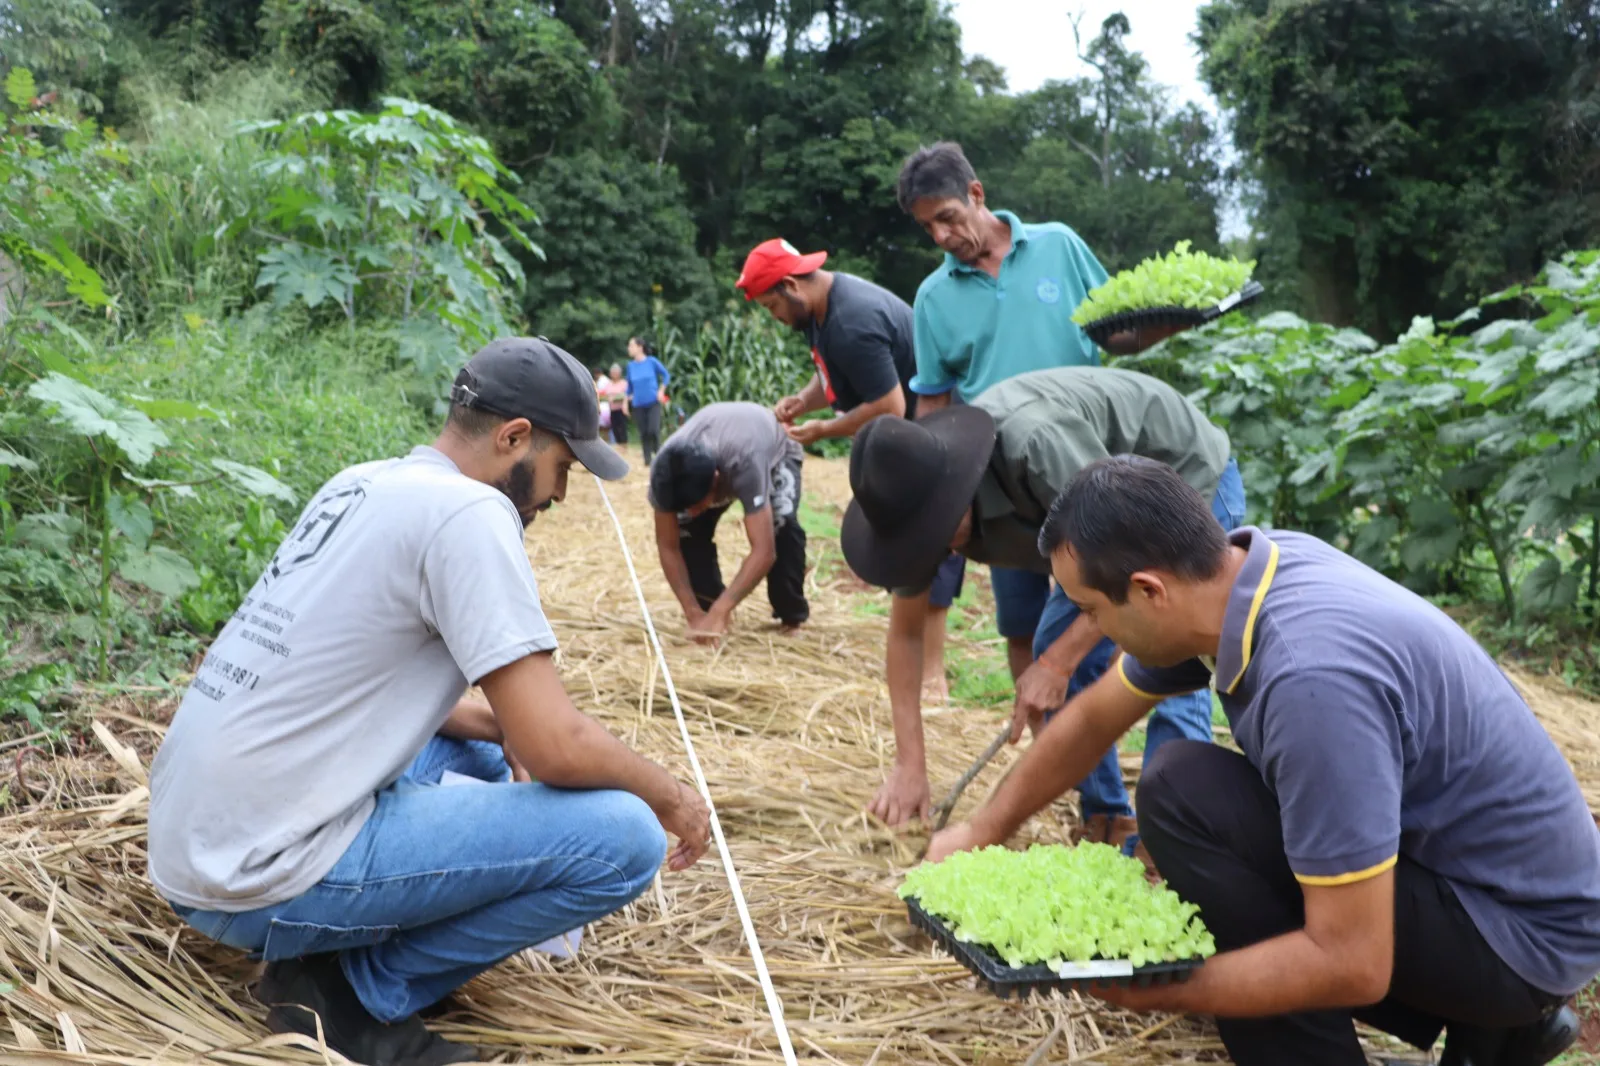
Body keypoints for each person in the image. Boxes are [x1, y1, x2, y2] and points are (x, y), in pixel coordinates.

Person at [148, 338, 712, 1066]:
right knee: (623, 839)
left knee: (481, 744)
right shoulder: (471, 515)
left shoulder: (364, 482)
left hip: (195, 844)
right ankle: (353, 993)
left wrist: (495, 724)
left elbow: (357, 682)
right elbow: (554, 745)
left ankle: (334, 949)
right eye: (561, 467)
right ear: (514, 438)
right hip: (258, 874)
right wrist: (672, 799)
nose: (561, 495)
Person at [928, 457, 1597, 1066]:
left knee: (1189, 809)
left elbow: (1353, 961)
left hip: (1520, 939)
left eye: (1091, 611)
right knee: (1180, 790)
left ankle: (1443, 1032)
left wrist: (1169, 989)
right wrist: (979, 833)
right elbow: (1097, 715)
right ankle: (1497, 1039)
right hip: (1496, 884)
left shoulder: (1310, 679)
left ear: (1149, 590)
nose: (1092, 627)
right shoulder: (1246, 571)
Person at [840, 367, 1246, 848]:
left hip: (1181, 478)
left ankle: (1173, 842)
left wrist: (1057, 662)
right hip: (1088, 526)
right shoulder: (909, 501)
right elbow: (907, 636)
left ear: (958, 490)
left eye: (939, 530)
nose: (939, 551)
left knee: (1172, 648)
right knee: (1058, 649)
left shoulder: (1037, 443)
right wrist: (910, 765)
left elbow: (1126, 559)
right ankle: (1108, 819)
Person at [894, 141, 1161, 711]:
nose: (941, 236)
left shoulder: (1058, 246)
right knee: (1025, 629)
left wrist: (1168, 324)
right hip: (1004, 485)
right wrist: (940, 496)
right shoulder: (933, 298)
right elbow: (935, 404)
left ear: (976, 194)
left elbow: (1115, 331)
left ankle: (1101, 732)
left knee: (1107, 601)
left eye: (947, 217)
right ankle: (1049, 745)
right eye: (927, 228)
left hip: (1086, 461)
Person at [736, 235, 966, 709]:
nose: (774, 318)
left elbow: (888, 402)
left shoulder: (850, 321)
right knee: (911, 549)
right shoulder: (824, 312)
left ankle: (933, 674)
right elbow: (835, 376)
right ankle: (913, 658)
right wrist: (805, 399)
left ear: (792, 285)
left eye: (772, 306)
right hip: (907, 438)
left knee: (935, 544)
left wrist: (824, 429)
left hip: (935, 435)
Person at [649, 402, 807, 643]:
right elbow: (667, 546)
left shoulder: (746, 461)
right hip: (724, 454)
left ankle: (791, 616)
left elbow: (764, 551)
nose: (691, 512)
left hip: (775, 451)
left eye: (697, 505)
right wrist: (693, 612)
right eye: (684, 507)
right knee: (687, 534)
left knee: (782, 526)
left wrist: (724, 608)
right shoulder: (665, 474)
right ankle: (709, 612)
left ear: (716, 480)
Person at [625, 336, 670, 464]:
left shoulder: (652, 362)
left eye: (631, 345)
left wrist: (661, 390)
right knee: (644, 432)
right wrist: (625, 402)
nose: (629, 348)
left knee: (653, 430)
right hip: (638, 404)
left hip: (653, 402)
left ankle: (660, 456)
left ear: (640, 347)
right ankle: (647, 460)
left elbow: (666, 375)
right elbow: (629, 386)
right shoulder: (630, 366)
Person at [604, 363, 630, 446]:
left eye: (616, 372)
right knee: (615, 429)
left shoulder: (624, 383)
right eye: (612, 372)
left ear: (619, 373)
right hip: (612, 410)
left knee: (622, 429)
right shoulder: (609, 384)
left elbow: (627, 395)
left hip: (621, 410)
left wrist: (615, 398)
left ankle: (624, 446)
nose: (614, 374)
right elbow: (606, 395)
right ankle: (619, 446)